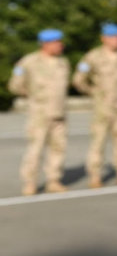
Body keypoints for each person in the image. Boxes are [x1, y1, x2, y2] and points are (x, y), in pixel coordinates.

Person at [72, 23, 117, 188]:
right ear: (103, 39)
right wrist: (94, 93)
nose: (116, 40)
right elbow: (78, 80)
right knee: (98, 141)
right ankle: (95, 176)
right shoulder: (92, 56)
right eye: (112, 37)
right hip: (102, 107)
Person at [8, 29, 70, 195]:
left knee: (58, 148)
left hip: (59, 113)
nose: (60, 45)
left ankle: (53, 180)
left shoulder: (63, 62)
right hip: (39, 114)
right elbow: (14, 85)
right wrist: (33, 96)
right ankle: (30, 183)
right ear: (45, 44)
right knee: (35, 149)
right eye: (57, 42)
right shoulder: (29, 61)